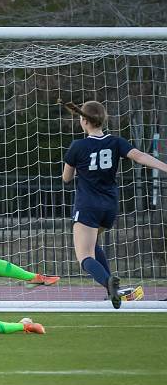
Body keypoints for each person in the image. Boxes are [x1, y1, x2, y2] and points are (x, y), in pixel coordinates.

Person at [61, 100, 167, 309]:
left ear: (83, 121)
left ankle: (110, 285)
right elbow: (139, 156)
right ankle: (111, 287)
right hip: (109, 207)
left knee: (84, 257)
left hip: (87, 206)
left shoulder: (78, 146)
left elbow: (66, 178)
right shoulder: (116, 142)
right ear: (103, 120)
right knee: (92, 244)